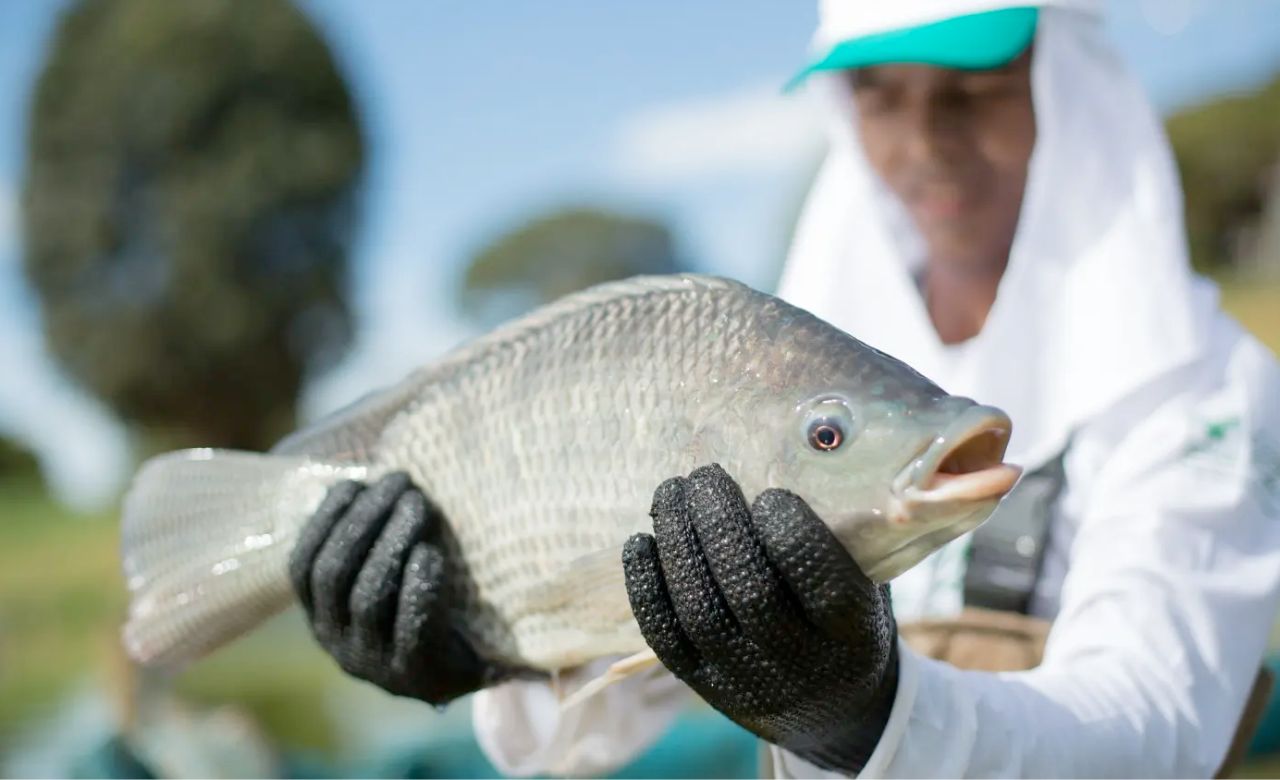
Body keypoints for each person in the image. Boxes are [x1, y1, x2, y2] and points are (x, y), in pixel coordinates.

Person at [287, 0, 1280, 776]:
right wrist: (488, 657)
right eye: (875, 93)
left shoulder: (1201, 391)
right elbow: (597, 732)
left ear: (1068, 84)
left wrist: (859, 714)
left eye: (974, 84)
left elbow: (1154, 725)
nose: (922, 139)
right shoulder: (798, 378)